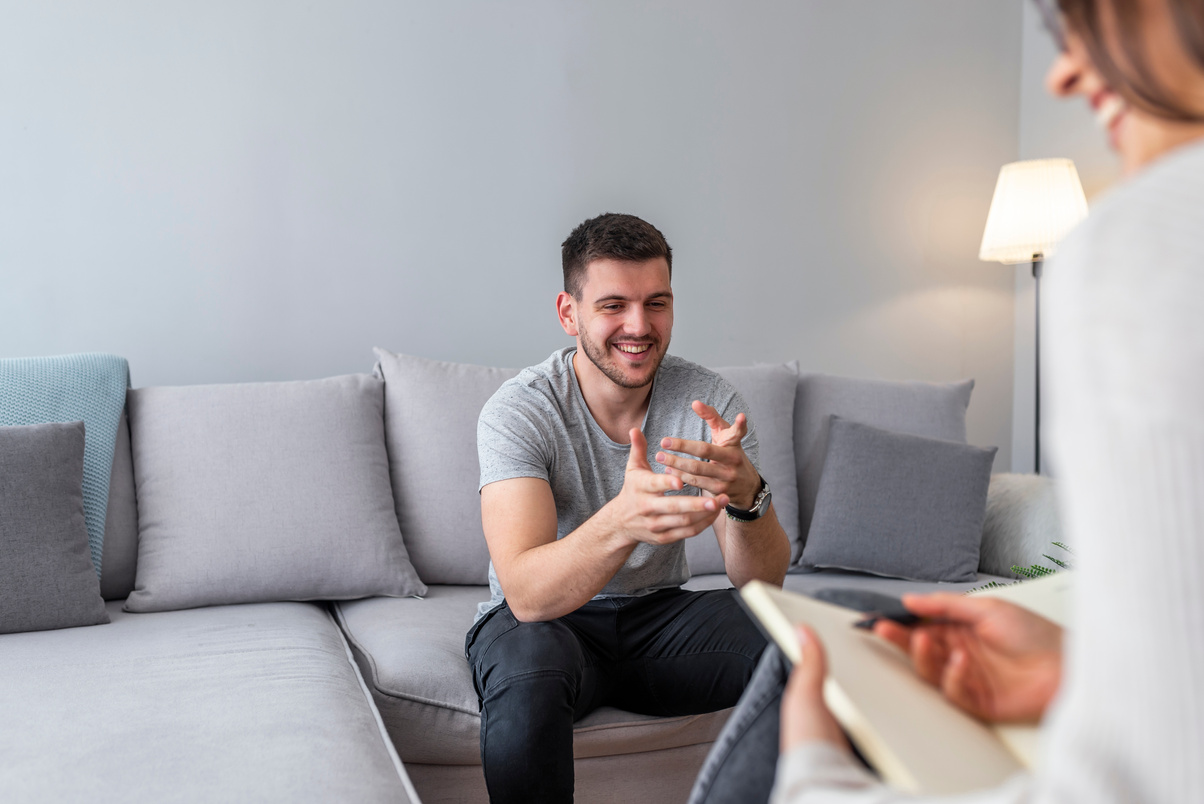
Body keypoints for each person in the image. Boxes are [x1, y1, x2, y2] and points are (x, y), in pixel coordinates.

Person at [692, 1, 1204, 802]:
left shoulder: (1148, 248)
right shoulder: (528, 407)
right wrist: (1090, 673)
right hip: (566, 631)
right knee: (857, 617)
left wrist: (816, 780)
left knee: (815, 639)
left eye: (1095, 17)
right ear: (568, 312)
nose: (1066, 71)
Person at [466, 212, 792, 803]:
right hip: (546, 625)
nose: (639, 326)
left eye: (656, 303)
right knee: (529, 670)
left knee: (798, 639)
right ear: (569, 313)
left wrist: (748, 497)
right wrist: (621, 519)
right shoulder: (519, 411)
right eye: (613, 305)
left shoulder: (709, 401)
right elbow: (528, 594)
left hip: (658, 621)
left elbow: (760, 586)